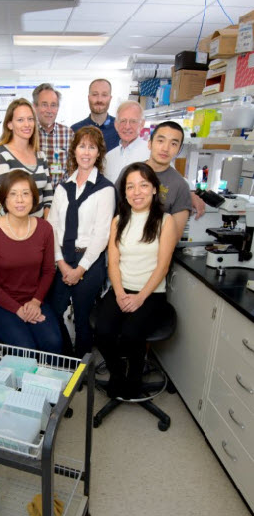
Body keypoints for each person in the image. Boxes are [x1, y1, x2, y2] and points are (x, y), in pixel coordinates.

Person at [95, 162, 177, 399]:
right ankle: (117, 371)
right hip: (122, 287)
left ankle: (135, 377)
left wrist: (140, 297)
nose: (136, 192)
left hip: (151, 293)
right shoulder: (118, 221)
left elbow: (163, 266)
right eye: (130, 187)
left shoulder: (165, 221)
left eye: (143, 185)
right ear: (125, 192)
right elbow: (113, 262)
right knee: (102, 332)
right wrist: (119, 293)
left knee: (131, 334)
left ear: (154, 189)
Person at [48, 126, 115, 358]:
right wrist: (62, 264)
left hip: (90, 261)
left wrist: (81, 268)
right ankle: (67, 357)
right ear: (74, 151)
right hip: (63, 259)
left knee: (83, 319)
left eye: (92, 147)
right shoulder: (62, 188)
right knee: (54, 312)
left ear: (99, 153)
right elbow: (52, 228)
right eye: (82, 146)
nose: (86, 152)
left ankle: (81, 369)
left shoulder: (105, 189)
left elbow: (102, 234)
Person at [0, 170, 62, 353]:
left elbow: (49, 271)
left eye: (25, 193)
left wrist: (35, 302)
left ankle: (47, 382)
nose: (20, 200)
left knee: (53, 342)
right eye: (13, 194)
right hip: (0, 304)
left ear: (34, 198)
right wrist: (17, 309)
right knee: (26, 348)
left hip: (34, 299)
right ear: (4, 199)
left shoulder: (44, 228)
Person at [0, 98, 53, 217]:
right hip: (14, 230)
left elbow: (48, 196)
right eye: (20, 120)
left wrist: (44, 225)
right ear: (9, 124)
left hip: (40, 227)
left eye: (30, 119)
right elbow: (6, 199)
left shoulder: (40, 155)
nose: (27, 124)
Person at [145, 121, 193, 241]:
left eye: (173, 144)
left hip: (157, 254)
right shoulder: (130, 173)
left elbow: (175, 236)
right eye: (160, 141)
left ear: (179, 150)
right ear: (150, 144)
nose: (165, 148)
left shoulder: (180, 185)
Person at [32, 83, 74, 190]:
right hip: (35, 197)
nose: (49, 110)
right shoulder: (28, 133)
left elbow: (73, 168)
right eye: (44, 104)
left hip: (61, 196)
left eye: (53, 105)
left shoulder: (68, 134)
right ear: (35, 107)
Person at [104, 101, 150, 183]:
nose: (127, 126)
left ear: (142, 124)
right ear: (116, 124)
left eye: (133, 121)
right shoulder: (108, 157)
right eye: (123, 121)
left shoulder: (151, 153)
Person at [71, 78, 119, 152]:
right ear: (89, 98)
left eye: (104, 95)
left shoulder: (120, 129)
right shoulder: (75, 130)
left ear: (110, 98)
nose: (99, 100)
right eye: (95, 94)